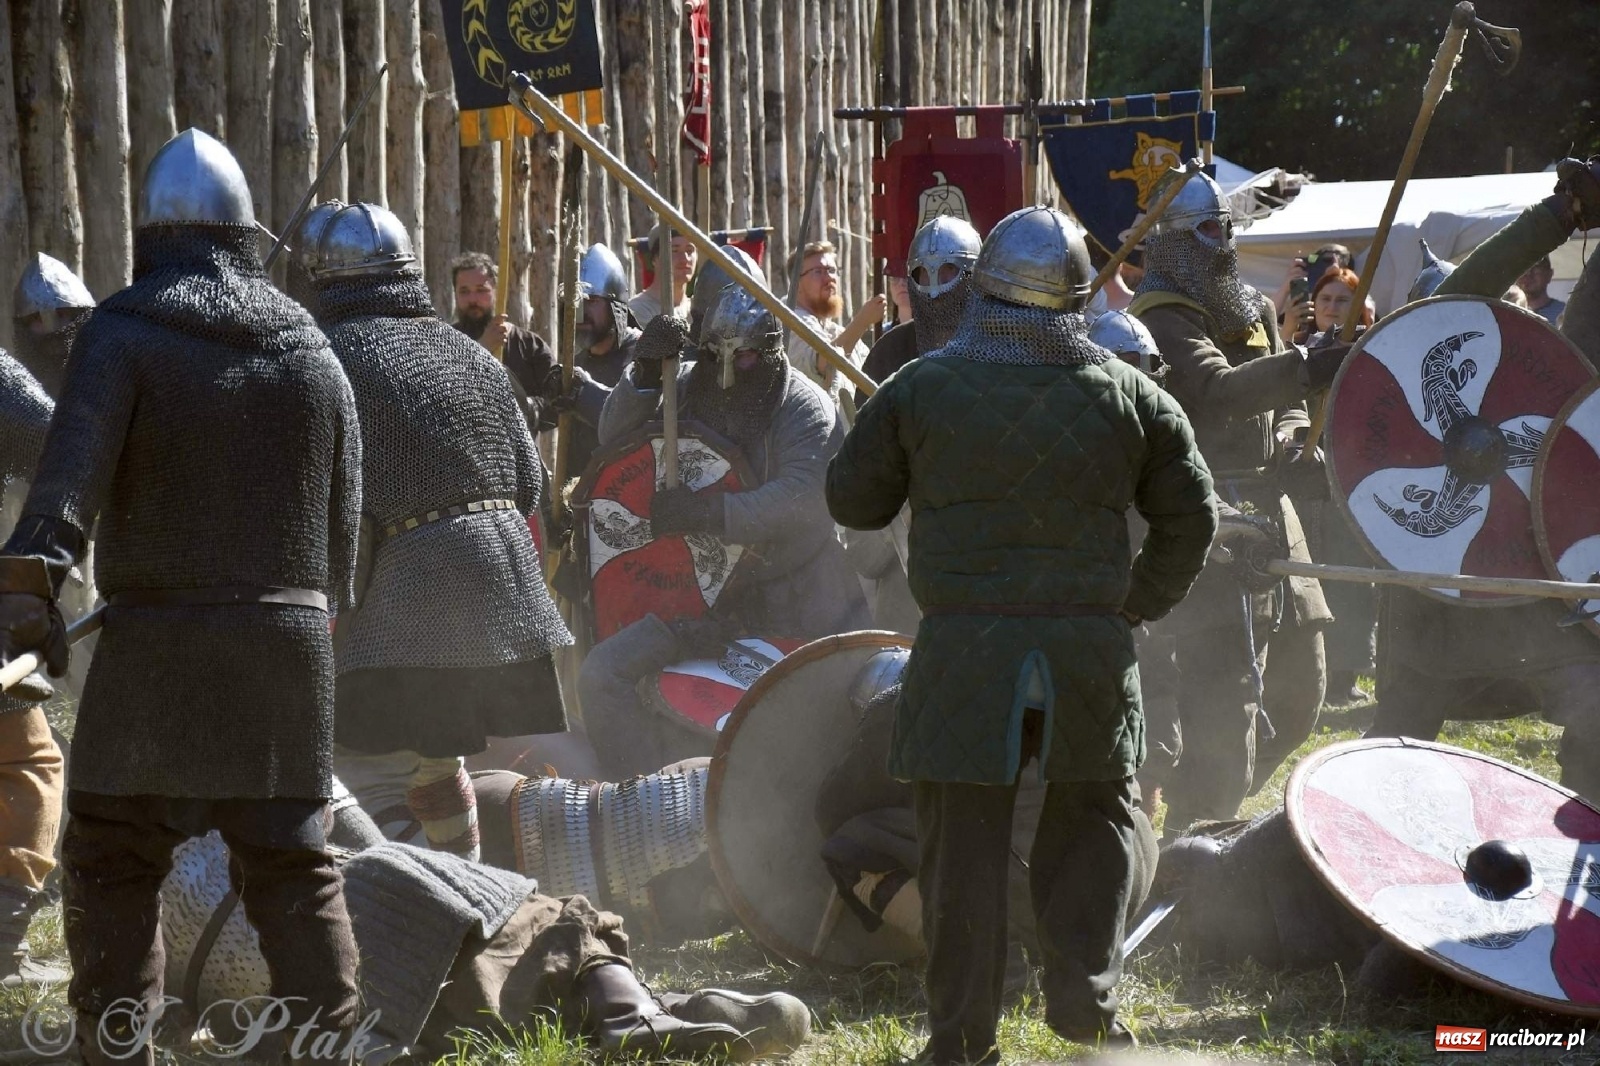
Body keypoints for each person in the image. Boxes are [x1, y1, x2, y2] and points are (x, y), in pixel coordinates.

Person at [0, 128, 363, 1064]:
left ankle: (116, 1047)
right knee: (293, 863)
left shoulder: (122, 332)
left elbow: (63, 498)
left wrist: (26, 601)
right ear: (243, 231)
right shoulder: (312, 347)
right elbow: (344, 535)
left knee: (116, 855)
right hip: (288, 646)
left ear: (154, 231)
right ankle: (328, 1042)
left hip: (157, 647)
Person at [827, 206, 1217, 1058]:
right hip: (1087, 650)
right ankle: (1084, 999)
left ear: (983, 288)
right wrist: (1136, 602)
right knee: (1094, 824)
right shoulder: (1130, 393)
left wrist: (910, 450)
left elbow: (851, 501)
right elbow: (1192, 516)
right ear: (1079, 299)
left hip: (965, 652)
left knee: (959, 853)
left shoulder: (920, 388)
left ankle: (963, 1041)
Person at [160, 789, 810, 1062]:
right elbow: (356, 839)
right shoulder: (245, 676)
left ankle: (650, 1006)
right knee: (476, 910)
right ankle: (628, 1009)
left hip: (275, 993)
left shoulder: (114, 759)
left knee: (459, 939)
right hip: (304, 923)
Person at [311, 204, 573, 863]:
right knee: (436, 756)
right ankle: (468, 885)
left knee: (349, 764)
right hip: (505, 588)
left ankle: (426, 905)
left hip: (412, 593)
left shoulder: (329, 359)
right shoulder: (470, 353)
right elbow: (529, 488)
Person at [1367, 158, 1600, 799]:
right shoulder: (1427, 364)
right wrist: (1559, 217)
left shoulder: (1555, 381)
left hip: (1540, 598)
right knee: (1395, 760)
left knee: (1593, 750)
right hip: (1440, 598)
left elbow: (1583, 360)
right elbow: (1449, 302)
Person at [580, 291, 870, 780]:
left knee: (779, 735)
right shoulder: (689, 382)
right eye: (718, 355)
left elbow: (804, 498)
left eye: (748, 356)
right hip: (692, 603)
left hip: (791, 607)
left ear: (772, 351)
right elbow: (612, 435)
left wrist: (710, 513)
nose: (731, 370)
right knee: (602, 674)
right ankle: (642, 799)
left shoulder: (804, 405)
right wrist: (645, 375)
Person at [1129, 169, 1341, 833]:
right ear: (1171, 244)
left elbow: (1284, 411)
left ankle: (1211, 808)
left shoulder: (1247, 307)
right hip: (1205, 515)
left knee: (1303, 690)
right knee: (1229, 699)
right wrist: (1311, 366)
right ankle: (1197, 843)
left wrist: (1298, 438)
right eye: (1206, 232)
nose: (1221, 243)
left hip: (1276, 512)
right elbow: (1219, 390)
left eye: (1226, 228)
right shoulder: (1159, 317)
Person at [1300, 266, 1377, 705]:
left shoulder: (1373, 351)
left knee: (1353, 584)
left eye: (1341, 300)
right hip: (1311, 482)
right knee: (1315, 580)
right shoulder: (1300, 352)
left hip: (1354, 483)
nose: (1332, 307)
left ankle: (1345, 676)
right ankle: (1314, 674)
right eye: (1326, 299)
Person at [450, 251, 563, 433]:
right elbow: (440, 396)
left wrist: (525, 407)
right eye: (464, 291)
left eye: (481, 290)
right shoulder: (443, 342)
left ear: (496, 290)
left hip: (516, 457)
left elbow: (557, 403)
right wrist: (483, 348)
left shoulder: (528, 345)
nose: (473, 300)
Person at [560, 243, 643, 477]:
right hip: (580, 498)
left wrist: (584, 393)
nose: (581, 310)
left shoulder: (646, 357)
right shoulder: (575, 363)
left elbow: (636, 423)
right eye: (576, 301)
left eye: (592, 300)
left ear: (615, 305)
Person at [785, 240, 886, 407]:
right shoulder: (790, 322)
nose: (829, 277)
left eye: (832, 270)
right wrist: (862, 322)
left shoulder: (834, 330)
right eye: (818, 271)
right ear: (797, 284)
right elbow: (824, 364)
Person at [629, 224, 697, 326]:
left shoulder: (698, 309)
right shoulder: (637, 310)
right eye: (674, 250)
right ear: (654, 259)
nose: (685, 259)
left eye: (689, 251)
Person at [1517, 254, 1566, 325]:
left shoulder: (1565, 313)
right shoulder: (1505, 313)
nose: (1528, 274)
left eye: (1536, 268)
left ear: (1549, 274)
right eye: (1523, 269)